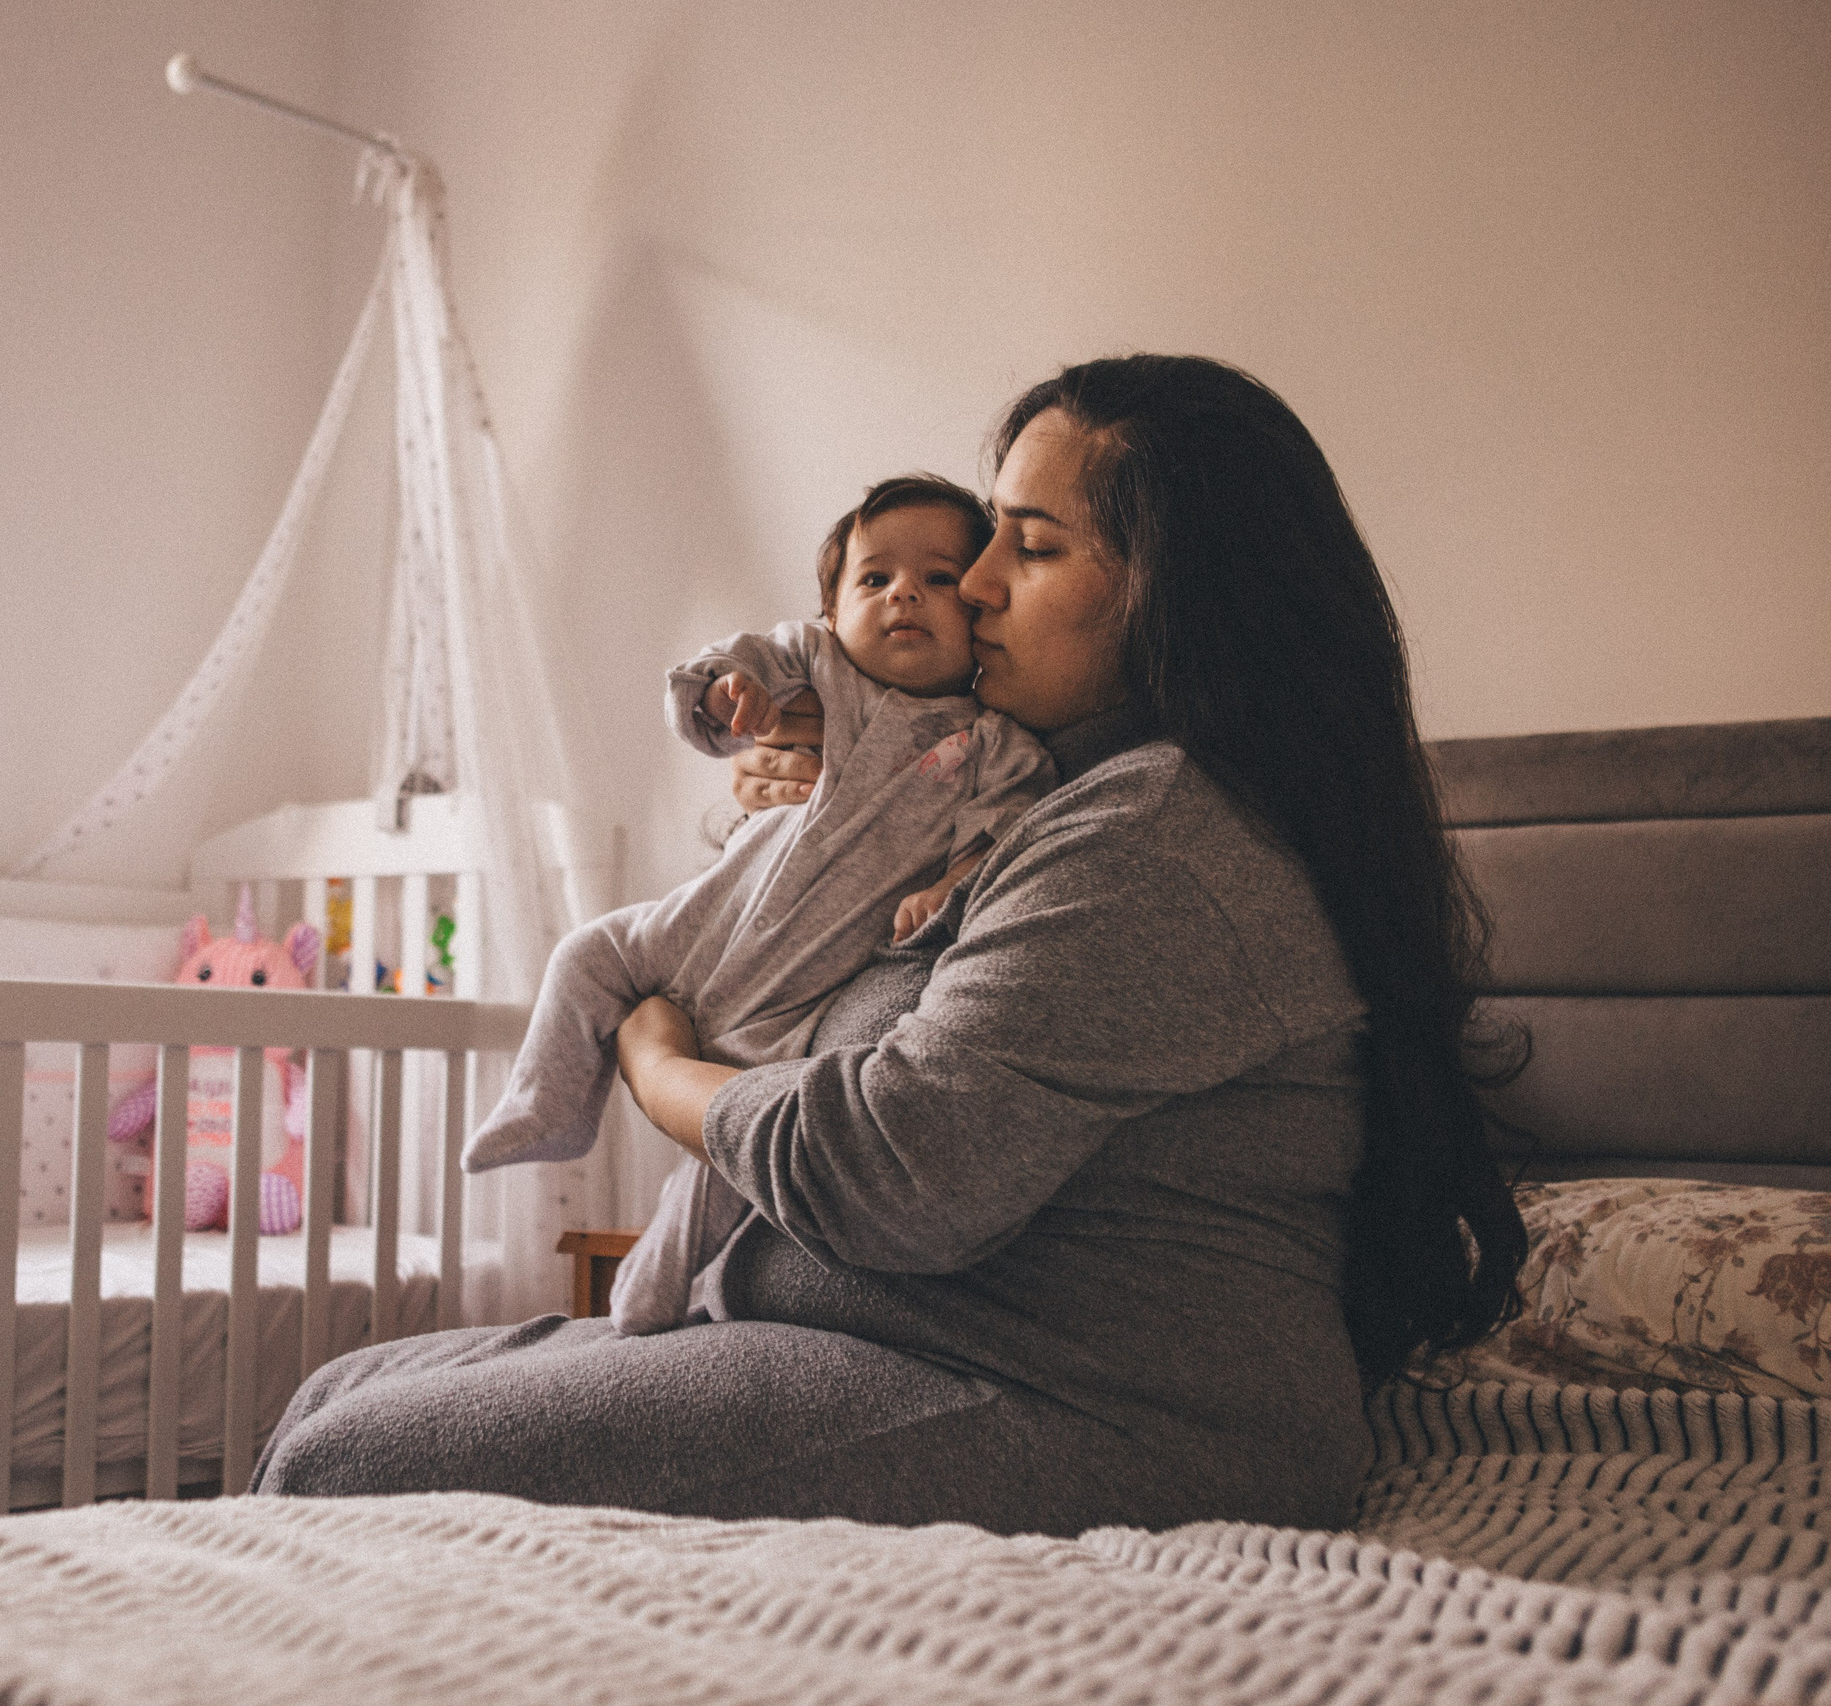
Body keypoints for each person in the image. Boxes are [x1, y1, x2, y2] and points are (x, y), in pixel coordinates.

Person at [252, 354, 1526, 1536]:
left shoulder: (1156, 841)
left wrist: (652, 1061)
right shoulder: (1048, 800)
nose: (970, 586)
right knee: (331, 1392)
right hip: (875, 1338)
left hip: (1084, 1404)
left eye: (1027, 548)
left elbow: (892, 1173)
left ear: (1178, 597)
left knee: (340, 1458)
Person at [463, 475, 1055, 1334]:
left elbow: (1001, 831)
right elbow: (720, 672)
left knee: (728, 1149)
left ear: (980, 615)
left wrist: (945, 885)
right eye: (875, 579)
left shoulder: (989, 741)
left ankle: (647, 1301)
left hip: (801, 985)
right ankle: (545, 1110)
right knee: (586, 954)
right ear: (832, 607)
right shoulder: (817, 672)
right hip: (708, 919)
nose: (904, 597)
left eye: (936, 580)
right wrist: (724, 696)